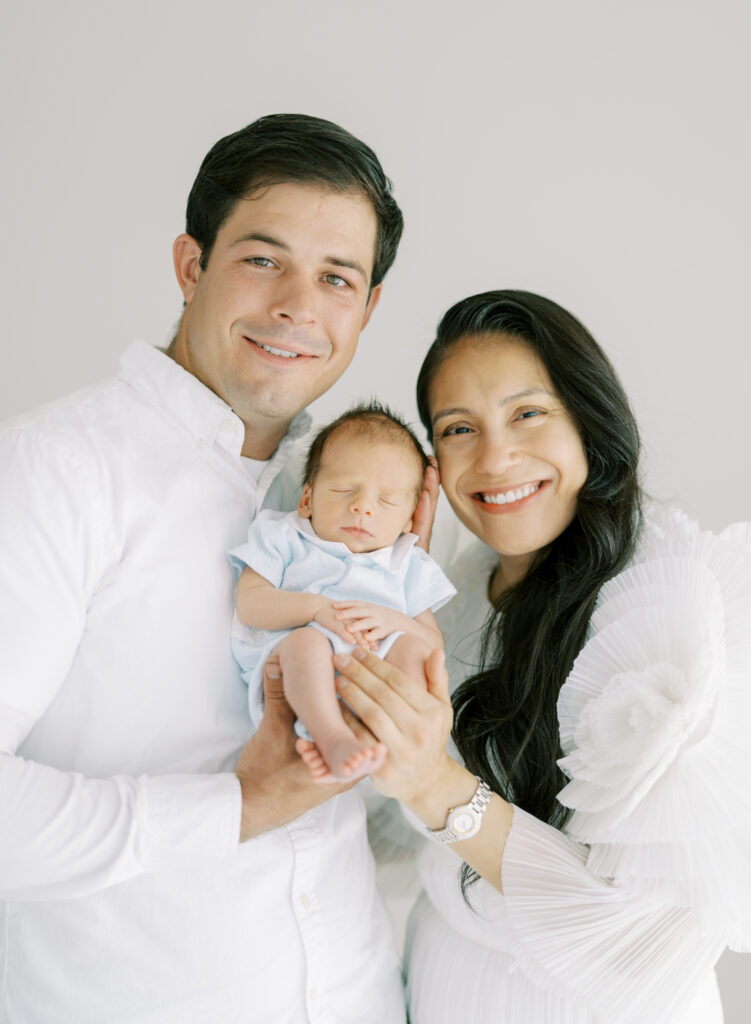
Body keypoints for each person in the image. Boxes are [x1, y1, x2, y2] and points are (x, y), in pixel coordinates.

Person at [0, 114, 414, 1022]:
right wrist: (235, 806)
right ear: (191, 266)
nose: (299, 308)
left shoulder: (361, 503)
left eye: (336, 277)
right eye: (263, 260)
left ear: (367, 309)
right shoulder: (53, 470)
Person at [331, 290, 751, 1022]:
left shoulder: (660, 615)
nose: (495, 458)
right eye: (458, 428)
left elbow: (637, 950)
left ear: (587, 417)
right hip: (439, 988)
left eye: (527, 413)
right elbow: (395, 838)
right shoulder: (460, 589)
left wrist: (435, 781)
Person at [231, 403, 455, 782]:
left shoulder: (407, 563)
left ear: (407, 520)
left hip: (374, 678)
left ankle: (377, 738)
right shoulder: (286, 537)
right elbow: (249, 604)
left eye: (386, 501)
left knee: (414, 651)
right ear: (306, 500)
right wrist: (316, 609)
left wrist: (395, 621)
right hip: (295, 672)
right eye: (343, 490)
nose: (362, 507)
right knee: (307, 645)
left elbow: (434, 643)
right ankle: (333, 737)